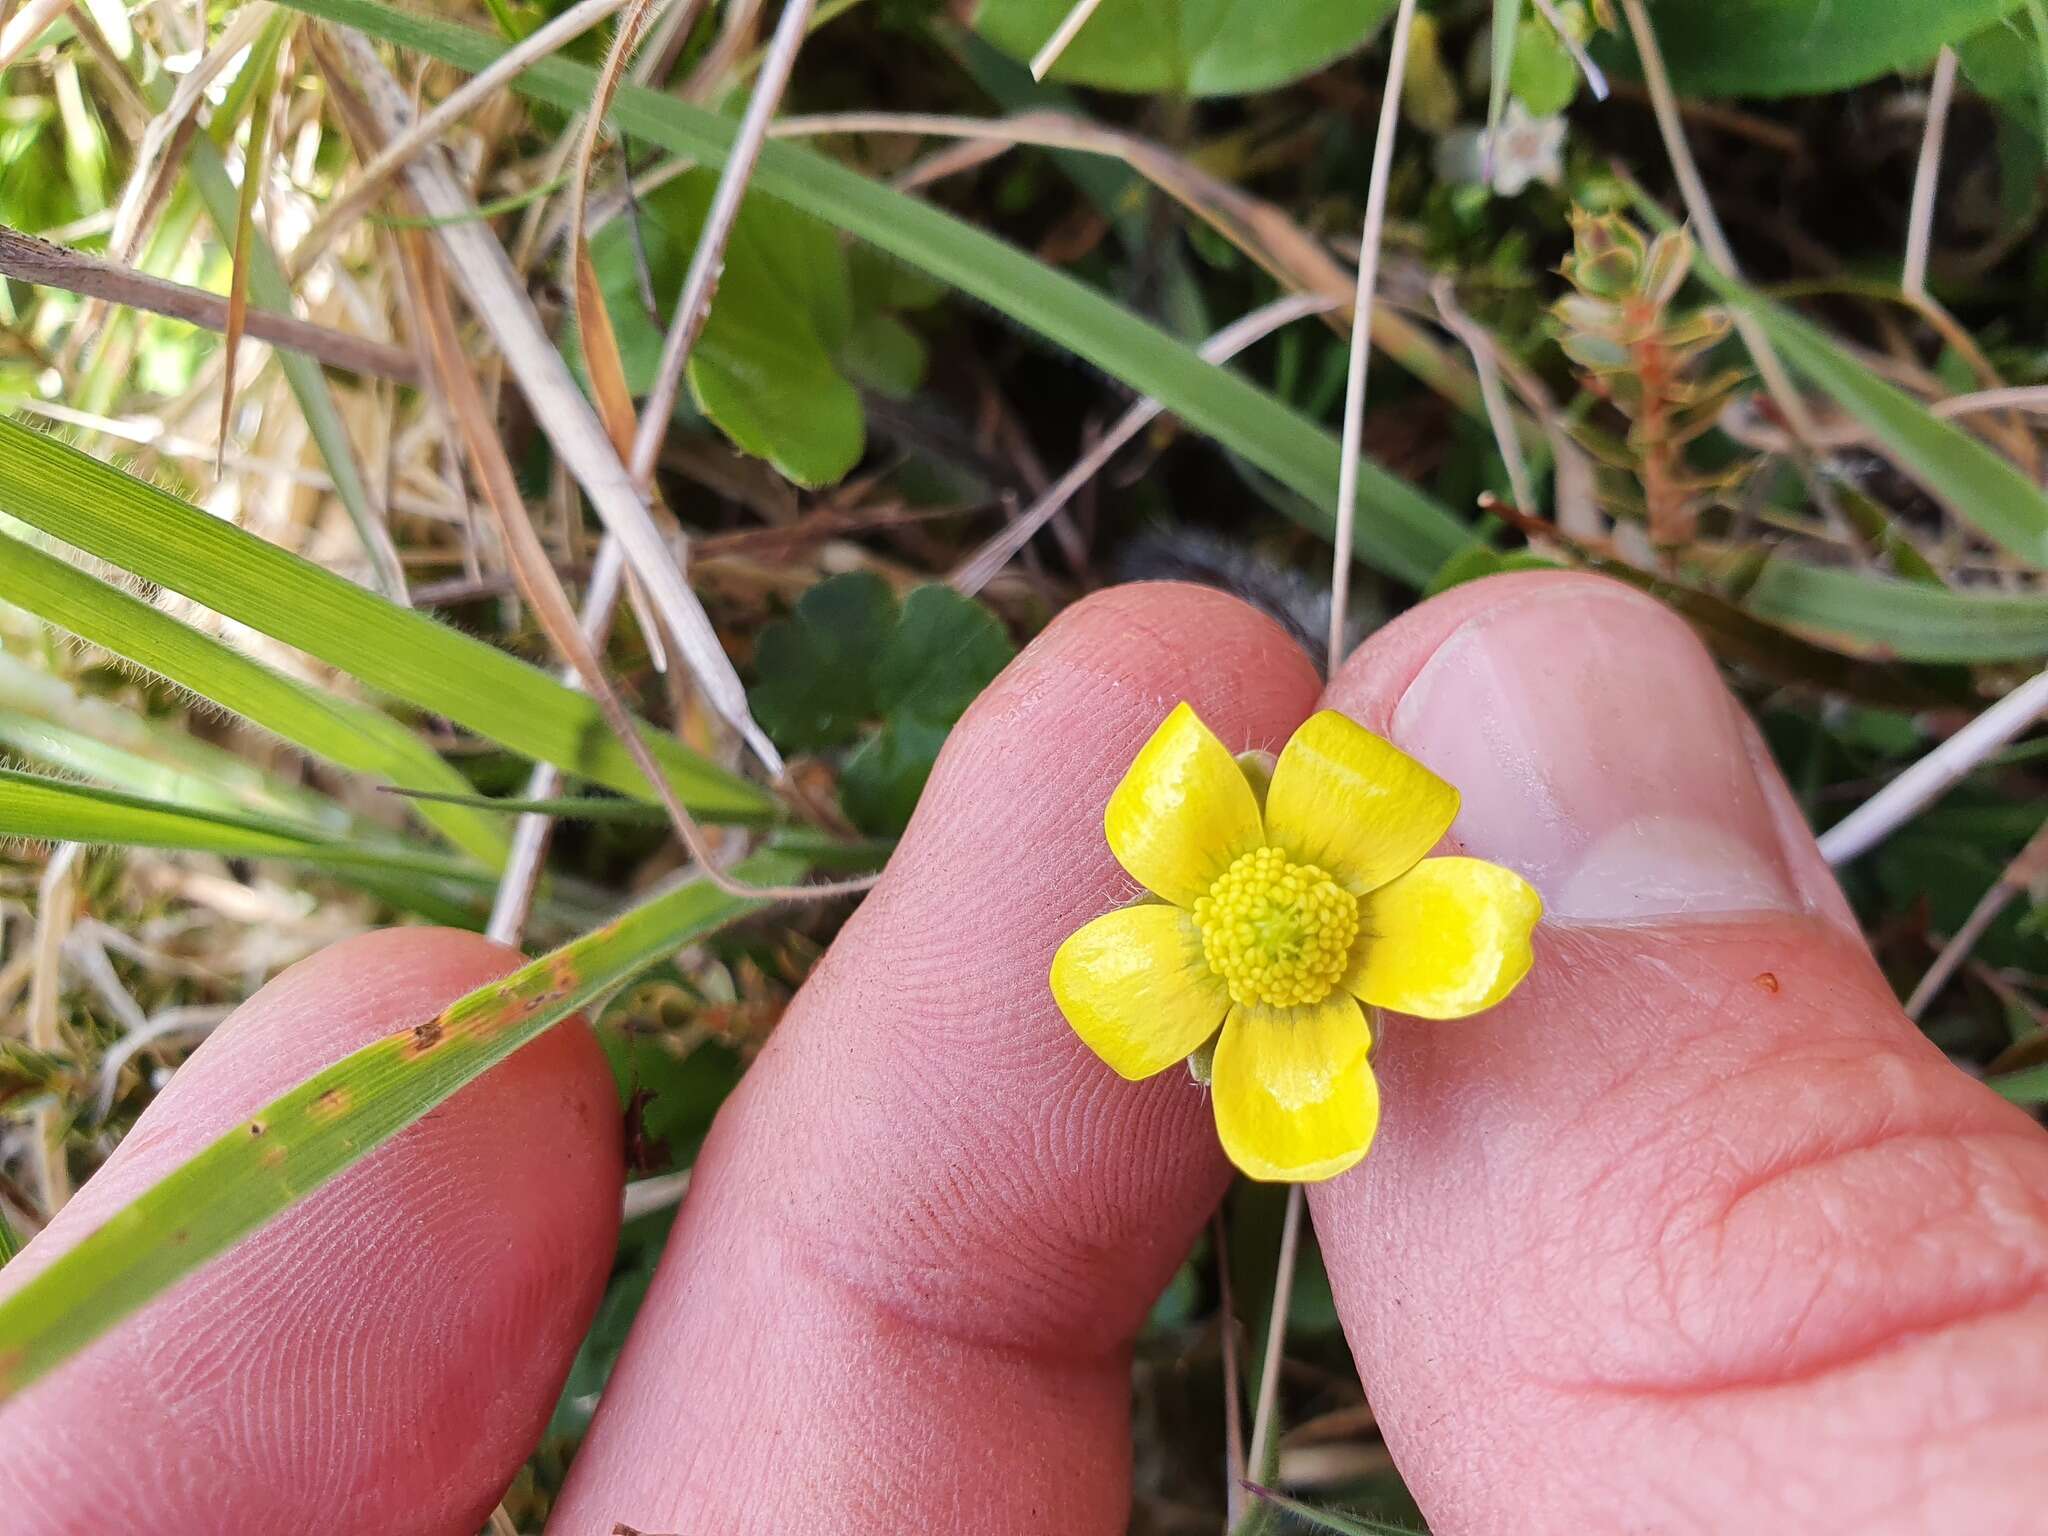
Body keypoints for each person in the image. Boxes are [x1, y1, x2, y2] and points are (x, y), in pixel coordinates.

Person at [2, 572, 2044, 1535]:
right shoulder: (1201, 960)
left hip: (1379, 917)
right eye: (1249, 913)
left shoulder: (1378, 898)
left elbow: (1441, 928)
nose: (1274, 933)